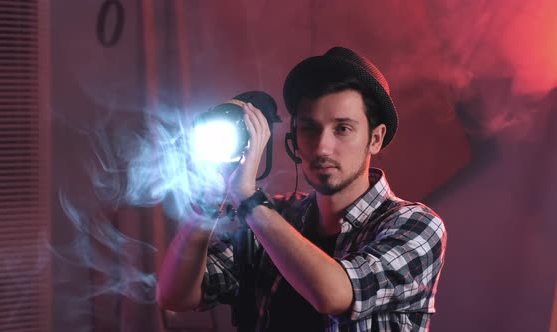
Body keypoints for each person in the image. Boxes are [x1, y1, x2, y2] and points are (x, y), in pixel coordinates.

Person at [157, 46, 447, 331]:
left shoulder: (416, 225)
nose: (322, 146)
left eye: (342, 129)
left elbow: (334, 295)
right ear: (293, 137)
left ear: (375, 138)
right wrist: (209, 201)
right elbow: (176, 296)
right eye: (309, 128)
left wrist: (249, 200)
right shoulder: (273, 218)